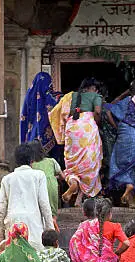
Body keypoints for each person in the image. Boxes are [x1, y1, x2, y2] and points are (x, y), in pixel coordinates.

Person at [49, 77, 103, 206]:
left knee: (74, 167)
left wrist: (60, 135)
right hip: (87, 129)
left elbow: (55, 112)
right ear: (94, 88)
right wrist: (96, 121)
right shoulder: (96, 96)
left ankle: (76, 192)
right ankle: (82, 193)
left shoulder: (70, 96)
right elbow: (98, 111)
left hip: (72, 128)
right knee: (90, 165)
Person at [0, 144, 54, 252]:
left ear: (16, 160)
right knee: (35, 259)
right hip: (34, 224)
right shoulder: (39, 176)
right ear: (32, 160)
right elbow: (44, 204)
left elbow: (0, 211)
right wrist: (51, 230)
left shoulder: (7, 179)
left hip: (13, 223)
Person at [20, 72, 58, 154]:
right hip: (48, 135)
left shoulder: (29, 95)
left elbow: (24, 115)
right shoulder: (49, 96)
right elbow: (55, 107)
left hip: (31, 133)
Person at [30, 139, 64, 221]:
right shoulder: (52, 161)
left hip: (38, 190)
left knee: (40, 215)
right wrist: (54, 177)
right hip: (52, 188)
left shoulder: (31, 165)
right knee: (52, 215)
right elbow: (63, 177)